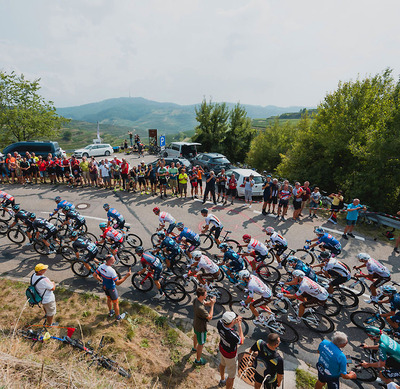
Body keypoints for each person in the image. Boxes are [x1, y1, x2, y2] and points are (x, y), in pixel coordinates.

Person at [93, 255, 130, 321]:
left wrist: (101, 280)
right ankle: (118, 317)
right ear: (109, 261)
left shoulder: (101, 266)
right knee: (115, 302)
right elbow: (117, 283)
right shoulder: (112, 271)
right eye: (113, 259)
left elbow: (94, 275)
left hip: (105, 286)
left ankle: (111, 312)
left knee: (109, 299)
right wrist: (126, 276)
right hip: (111, 288)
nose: (115, 260)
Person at [217, 311, 244, 389]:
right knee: (231, 376)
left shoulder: (219, 323)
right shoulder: (232, 335)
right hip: (230, 355)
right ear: (232, 321)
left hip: (222, 348)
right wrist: (239, 325)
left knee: (222, 364)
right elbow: (241, 341)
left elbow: (227, 325)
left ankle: (222, 379)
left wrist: (234, 321)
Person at [192, 286, 216, 365]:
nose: (206, 296)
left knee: (195, 335)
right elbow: (210, 317)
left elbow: (205, 303)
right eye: (205, 295)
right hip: (201, 327)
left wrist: (210, 302)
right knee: (201, 344)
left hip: (196, 323)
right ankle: (198, 360)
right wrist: (212, 306)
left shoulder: (196, 300)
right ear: (201, 296)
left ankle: (194, 348)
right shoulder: (201, 309)